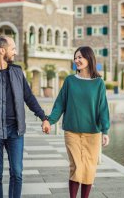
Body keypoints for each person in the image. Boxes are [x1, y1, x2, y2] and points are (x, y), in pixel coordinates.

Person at [0, 35, 49, 198]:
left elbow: (29, 97)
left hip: (16, 131)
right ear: (2, 50)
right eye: (12, 48)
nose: (15, 52)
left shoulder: (17, 72)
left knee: (17, 172)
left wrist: (43, 117)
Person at [42, 46, 110, 198]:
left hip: (93, 133)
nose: (77, 60)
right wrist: (49, 121)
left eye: (80, 57)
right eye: (76, 57)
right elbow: (60, 104)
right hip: (72, 131)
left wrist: (105, 131)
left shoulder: (98, 83)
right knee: (77, 167)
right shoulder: (70, 81)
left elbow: (103, 108)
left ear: (89, 59)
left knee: (89, 169)